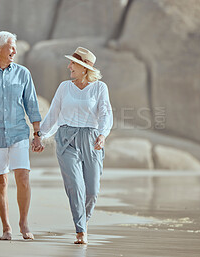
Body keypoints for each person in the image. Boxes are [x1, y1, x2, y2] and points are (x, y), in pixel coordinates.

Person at [0, 31, 44, 241]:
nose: (14, 51)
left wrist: (37, 134)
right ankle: (6, 227)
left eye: (15, 48)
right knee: (1, 182)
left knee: (23, 178)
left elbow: (32, 105)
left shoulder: (23, 74)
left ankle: (23, 222)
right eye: (11, 47)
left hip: (19, 133)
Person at [40, 47, 113, 244]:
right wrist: (40, 135)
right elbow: (54, 113)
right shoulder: (64, 87)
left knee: (92, 189)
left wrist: (102, 135)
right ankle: (80, 229)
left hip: (91, 139)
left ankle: (83, 219)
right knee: (75, 185)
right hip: (66, 139)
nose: (69, 66)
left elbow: (106, 113)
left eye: (73, 63)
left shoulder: (100, 88)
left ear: (84, 67)